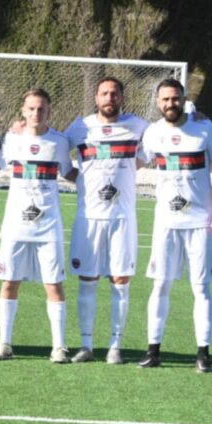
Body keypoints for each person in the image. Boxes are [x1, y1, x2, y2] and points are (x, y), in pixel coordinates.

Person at [139, 78, 212, 373]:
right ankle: (154, 350)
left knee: (200, 288)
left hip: (199, 223)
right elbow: (136, 161)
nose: (170, 104)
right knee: (160, 285)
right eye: (165, 99)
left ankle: (203, 352)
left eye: (175, 99)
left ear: (183, 99)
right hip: (166, 223)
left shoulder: (204, 127)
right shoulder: (152, 134)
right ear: (157, 102)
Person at [0, 88, 77, 363]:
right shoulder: (12, 139)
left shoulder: (59, 142)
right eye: (31, 108)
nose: (36, 113)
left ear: (49, 112)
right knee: (9, 282)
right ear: (23, 111)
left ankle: (59, 347)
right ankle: (4, 344)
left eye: (41, 109)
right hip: (15, 224)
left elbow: (70, 173)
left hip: (48, 226)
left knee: (54, 285)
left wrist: (98, 178)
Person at [64, 77, 149, 364]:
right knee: (88, 280)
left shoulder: (138, 127)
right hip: (89, 217)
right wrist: (83, 181)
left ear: (122, 97)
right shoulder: (80, 127)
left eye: (114, 93)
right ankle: (86, 345)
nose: (109, 98)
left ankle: (115, 346)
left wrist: (193, 115)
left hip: (123, 218)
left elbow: (154, 147)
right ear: (96, 97)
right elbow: (54, 150)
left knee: (120, 281)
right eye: (104, 93)